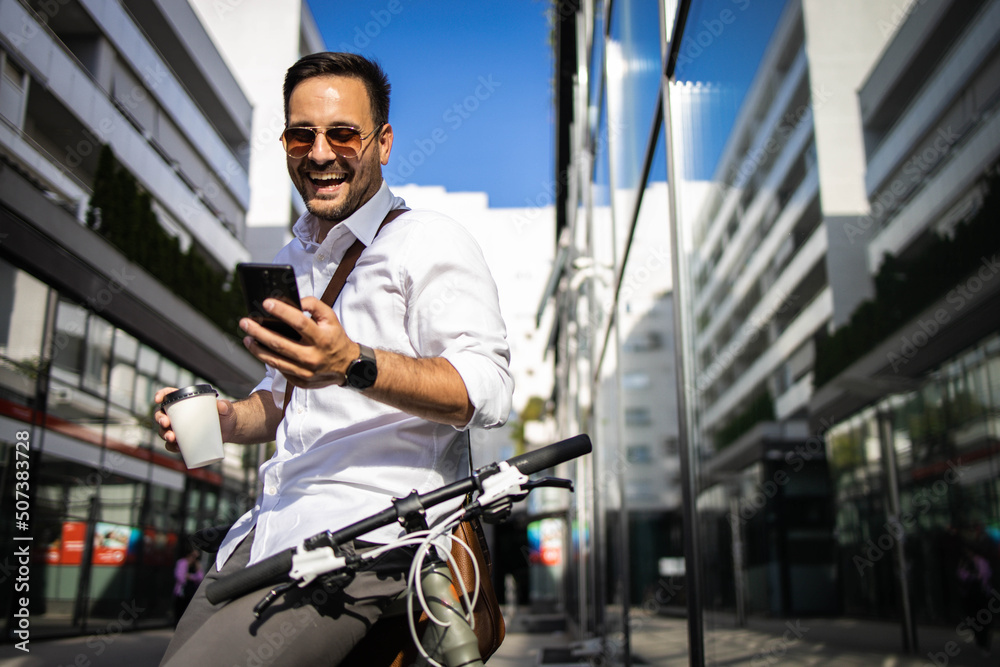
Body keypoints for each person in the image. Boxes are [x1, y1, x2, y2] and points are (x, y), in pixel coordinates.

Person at [154, 52, 512, 666]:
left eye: (343, 133)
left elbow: (489, 389)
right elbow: (286, 399)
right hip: (267, 529)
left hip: (373, 537)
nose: (320, 153)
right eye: (302, 134)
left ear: (383, 142)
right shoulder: (293, 257)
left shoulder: (427, 239)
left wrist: (352, 363)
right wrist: (227, 420)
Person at [172, 548, 204, 626]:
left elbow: (200, 578)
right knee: (179, 611)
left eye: (196, 557)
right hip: (182, 592)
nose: (194, 559)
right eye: (193, 556)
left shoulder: (196, 566)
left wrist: (191, 576)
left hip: (191, 592)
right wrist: (191, 576)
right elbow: (180, 577)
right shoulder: (182, 563)